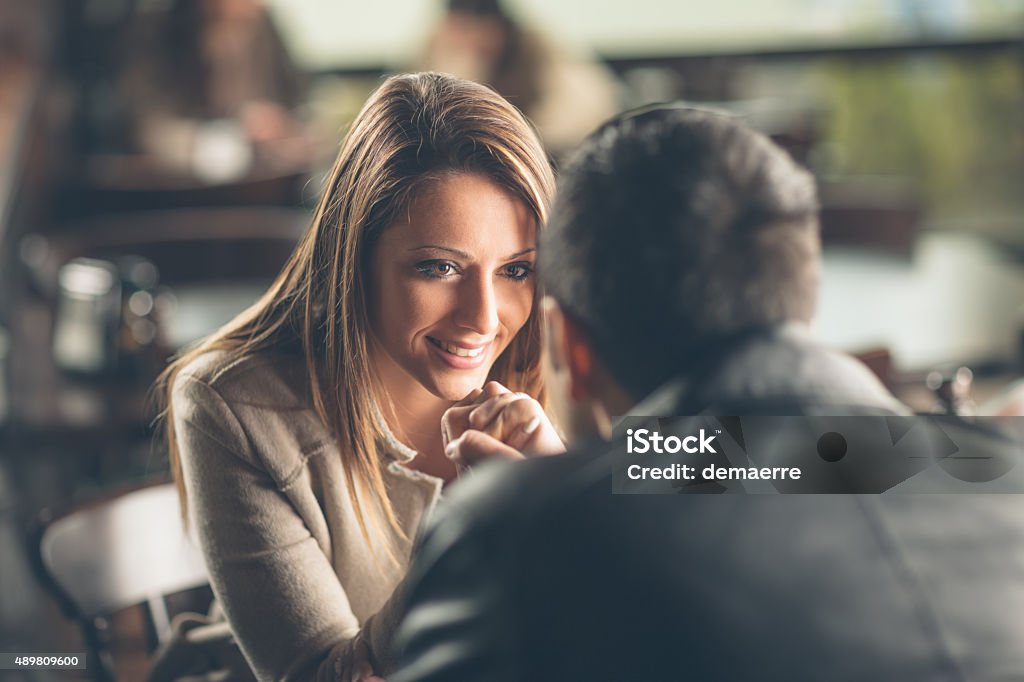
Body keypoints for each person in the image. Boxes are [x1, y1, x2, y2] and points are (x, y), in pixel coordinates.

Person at [390, 107, 1024, 680]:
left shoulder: (510, 534)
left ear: (569, 349)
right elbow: (766, 461)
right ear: (801, 298)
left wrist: (549, 502)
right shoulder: (1003, 470)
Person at [154, 72, 559, 681]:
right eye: (439, 267)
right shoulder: (235, 408)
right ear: (355, 256)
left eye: (516, 271)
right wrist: (472, 534)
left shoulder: (572, 359)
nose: (484, 317)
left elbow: (746, 464)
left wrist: (583, 486)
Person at [118, 0, 316, 180]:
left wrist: (284, 128)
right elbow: (147, 128)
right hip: (182, 184)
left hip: (263, 181)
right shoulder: (158, 28)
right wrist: (230, 135)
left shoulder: (263, 24)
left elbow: (298, 103)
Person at [417, 0, 621, 158]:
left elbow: (587, 109)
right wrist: (459, 76)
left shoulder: (536, 48)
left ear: (499, 26)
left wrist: (521, 136)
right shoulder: (435, 49)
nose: (474, 40)